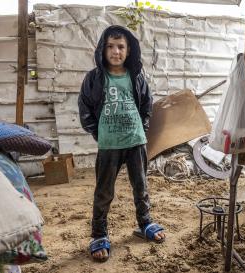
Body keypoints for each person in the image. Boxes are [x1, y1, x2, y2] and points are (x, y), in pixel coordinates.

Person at [78, 25, 165, 262]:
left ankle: (145, 223)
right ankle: (98, 234)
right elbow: (85, 107)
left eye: (120, 47)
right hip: (109, 145)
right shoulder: (94, 78)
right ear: (102, 49)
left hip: (136, 141)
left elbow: (147, 103)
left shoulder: (135, 76)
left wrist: (143, 127)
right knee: (104, 192)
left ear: (128, 50)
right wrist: (99, 133)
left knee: (141, 186)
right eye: (110, 46)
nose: (115, 51)